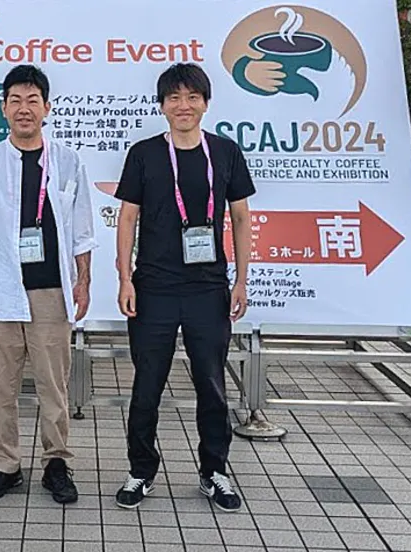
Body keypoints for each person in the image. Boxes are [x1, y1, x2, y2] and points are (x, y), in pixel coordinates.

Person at [112, 63, 255, 512]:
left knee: (211, 384)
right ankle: (140, 471)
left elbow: (241, 218)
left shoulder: (225, 152)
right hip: (152, 288)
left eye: (192, 97)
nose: (183, 105)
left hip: (208, 289)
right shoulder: (144, 153)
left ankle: (215, 471)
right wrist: (124, 278)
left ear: (206, 103)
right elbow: (127, 219)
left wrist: (241, 280)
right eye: (174, 98)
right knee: (146, 385)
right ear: (162, 106)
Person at [0, 64, 97, 504]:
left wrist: (83, 281)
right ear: (3, 108)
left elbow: (82, 229)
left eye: (32, 100)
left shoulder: (68, 161)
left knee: (53, 385)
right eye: (15, 101)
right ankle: (6, 465)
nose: (24, 109)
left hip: (51, 292)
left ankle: (56, 462)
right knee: (1, 386)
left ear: (47, 108)